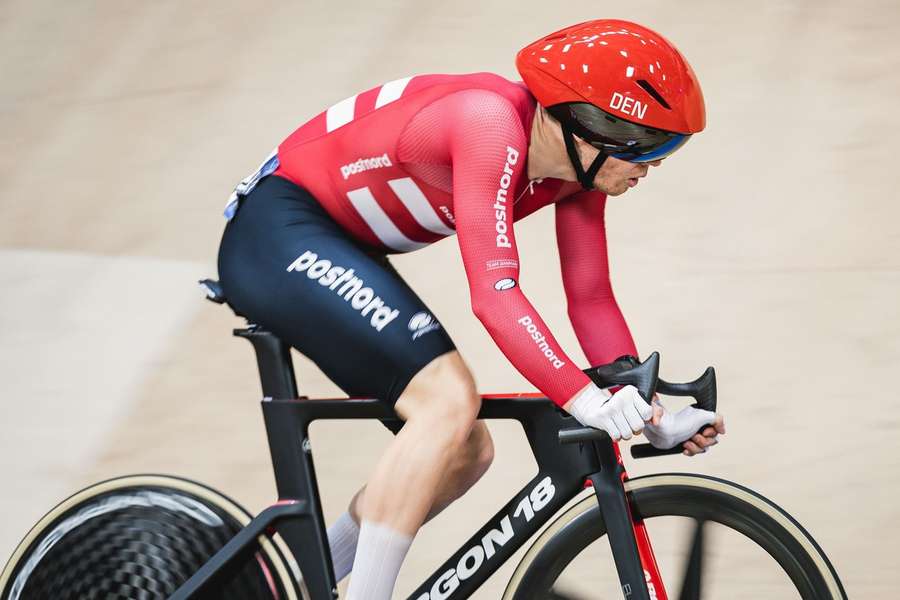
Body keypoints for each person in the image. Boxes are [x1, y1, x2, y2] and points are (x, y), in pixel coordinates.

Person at [217, 18, 725, 600]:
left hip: (338, 242)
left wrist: (649, 410)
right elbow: (495, 294)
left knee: (464, 451)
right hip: (279, 231)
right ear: (591, 125)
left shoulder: (574, 176)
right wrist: (585, 401)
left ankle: (286, 587)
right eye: (650, 146)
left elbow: (590, 297)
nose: (654, 165)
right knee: (446, 405)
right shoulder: (490, 124)